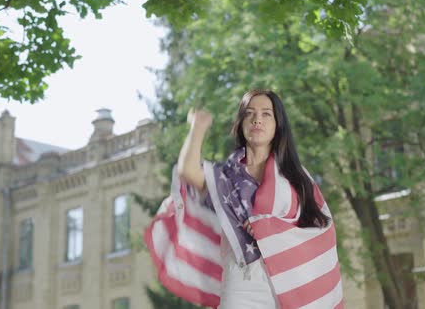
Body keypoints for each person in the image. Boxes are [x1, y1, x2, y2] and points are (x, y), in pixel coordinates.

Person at [144, 89, 344, 309]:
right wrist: (197, 128)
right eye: (250, 113)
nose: (257, 118)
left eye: (266, 113)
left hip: (284, 284)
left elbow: (320, 229)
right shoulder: (225, 176)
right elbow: (188, 171)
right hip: (240, 281)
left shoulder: (295, 177)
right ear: (241, 123)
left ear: (278, 124)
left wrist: (268, 228)